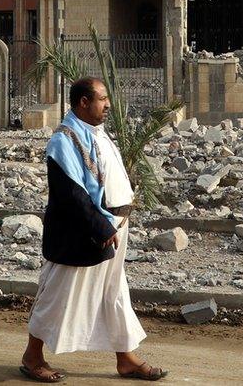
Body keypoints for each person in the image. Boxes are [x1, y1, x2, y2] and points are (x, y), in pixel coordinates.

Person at [19, 77, 167, 383]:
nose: (107, 105)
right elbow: (71, 193)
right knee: (59, 293)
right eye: (101, 99)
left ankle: (125, 359)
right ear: (83, 102)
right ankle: (32, 357)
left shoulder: (96, 134)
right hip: (84, 232)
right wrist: (100, 227)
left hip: (114, 226)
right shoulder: (64, 139)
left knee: (113, 293)